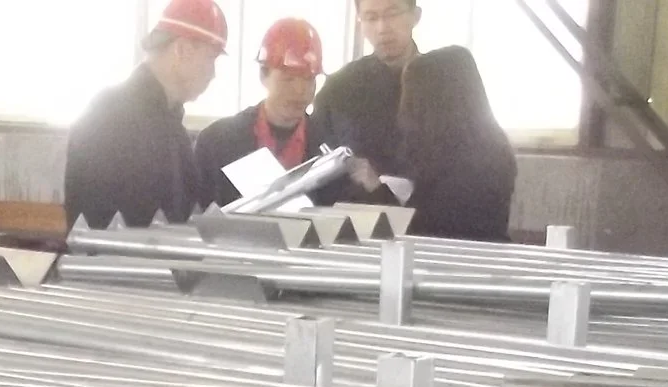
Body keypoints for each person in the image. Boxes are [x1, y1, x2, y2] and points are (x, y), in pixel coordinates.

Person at [63, 0, 225, 229]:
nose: (213, 74)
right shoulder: (112, 118)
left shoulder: (170, 124)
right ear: (182, 49)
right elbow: (111, 226)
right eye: (211, 58)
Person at [194, 19, 326, 207]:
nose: (300, 91)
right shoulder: (217, 142)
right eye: (288, 79)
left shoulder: (328, 147)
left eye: (308, 80)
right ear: (263, 75)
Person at [397, 45, 514, 241]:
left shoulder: (463, 164)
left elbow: (428, 229)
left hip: (454, 260)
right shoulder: (492, 147)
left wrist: (379, 190)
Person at [317, 0, 419, 194]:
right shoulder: (339, 88)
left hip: (427, 217)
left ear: (415, 16)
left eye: (392, 14)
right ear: (359, 23)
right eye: (371, 18)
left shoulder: (443, 84)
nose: (382, 28)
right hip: (355, 215)